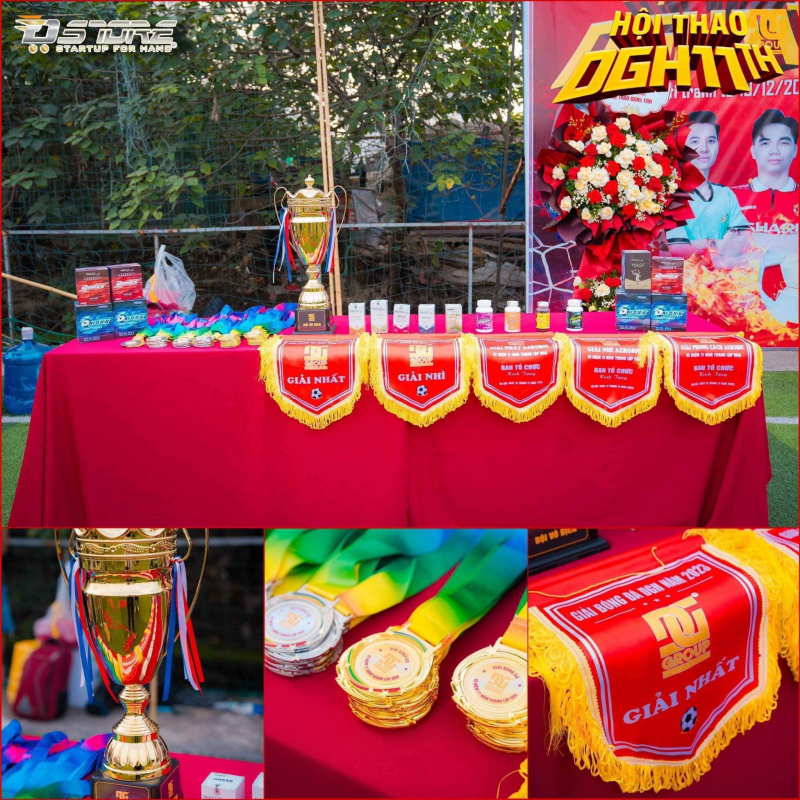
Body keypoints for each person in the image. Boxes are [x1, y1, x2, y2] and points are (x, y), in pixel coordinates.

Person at [733, 109, 798, 327]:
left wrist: (751, 239)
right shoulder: (729, 197)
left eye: (784, 143)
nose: (774, 150)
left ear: (795, 150)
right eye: (765, 143)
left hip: (789, 318)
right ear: (753, 151)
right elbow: (717, 249)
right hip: (736, 310)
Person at [667, 110, 750, 244]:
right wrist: (721, 244)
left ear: (718, 145)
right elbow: (679, 249)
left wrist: (699, 244)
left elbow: (745, 239)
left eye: (711, 141)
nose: (704, 149)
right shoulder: (671, 196)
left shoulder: (726, 194)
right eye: (695, 141)